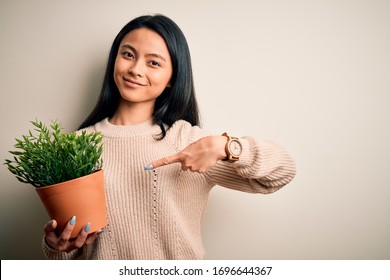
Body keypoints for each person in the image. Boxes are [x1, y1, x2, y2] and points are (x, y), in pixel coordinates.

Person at [42, 14, 296, 260]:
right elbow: (70, 252)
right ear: (115, 60)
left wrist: (227, 146)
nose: (135, 69)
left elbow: (283, 172)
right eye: (128, 55)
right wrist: (56, 246)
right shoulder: (77, 145)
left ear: (172, 79)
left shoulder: (187, 141)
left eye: (153, 62)